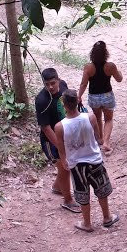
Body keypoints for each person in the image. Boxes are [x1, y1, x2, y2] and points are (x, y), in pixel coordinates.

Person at [55, 89, 119, 232]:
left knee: (82, 192)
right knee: (101, 189)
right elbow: (98, 138)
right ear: (78, 101)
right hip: (94, 160)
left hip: (76, 165)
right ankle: (107, 217)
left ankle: (87, 223)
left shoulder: (59, 127)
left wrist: (64, 161)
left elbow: (60, 148)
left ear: (64, 105)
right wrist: (101, 143)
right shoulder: (90, 117)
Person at [35, 68, 80, 214]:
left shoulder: (64, 86)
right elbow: (46, 128)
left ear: (58, 80)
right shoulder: (41, 100)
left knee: (65, 167)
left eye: (53, 83)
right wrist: (61, 147)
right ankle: (68, 200)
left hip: (65, 134)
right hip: (50, 140)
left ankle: (57, 187)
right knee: (65, 167)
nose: (50, 87)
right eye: (47, 84)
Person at [77, 41, 123, 154]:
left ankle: (100, 139)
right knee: (108, 119)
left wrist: (79, 96)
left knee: (97, 118)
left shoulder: (88, 67)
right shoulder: (110, 66)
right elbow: (119, 79)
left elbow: (83, 84)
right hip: (107, 96)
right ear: (106, 53)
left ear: (92, 53)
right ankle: (106, 142)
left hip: (94, 97)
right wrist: (119, 72)